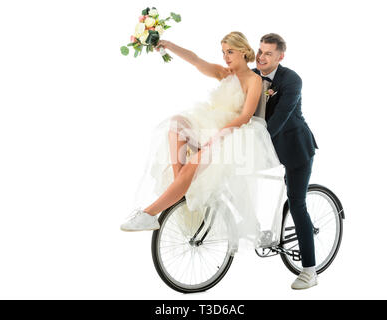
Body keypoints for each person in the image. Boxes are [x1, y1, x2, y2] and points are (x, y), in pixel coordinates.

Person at [120, 31, 281, 250]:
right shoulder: (224, 73)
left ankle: (149, 213)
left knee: (195, 163)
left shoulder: (254, 80)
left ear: (243, 52)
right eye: (223, 52)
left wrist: (219, 135)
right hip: (208, 125)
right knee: (176, 123)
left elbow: (245, 116)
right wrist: (168, 44)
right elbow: (195, 60)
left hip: (233, 134)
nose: (226, 57)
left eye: (230, 52)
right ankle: (180, 188)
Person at [252, 33, 319, 290]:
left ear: (281, 56)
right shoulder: (252, 74)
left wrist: (254, 141)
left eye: (268, 53)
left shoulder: (291, 79)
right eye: (260, 51)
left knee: (296, 203)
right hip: (266, 147)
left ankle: (310, 271)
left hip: (295, 147)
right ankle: (253, 229)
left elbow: (279, 118)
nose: (262, 57)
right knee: (233, 176)